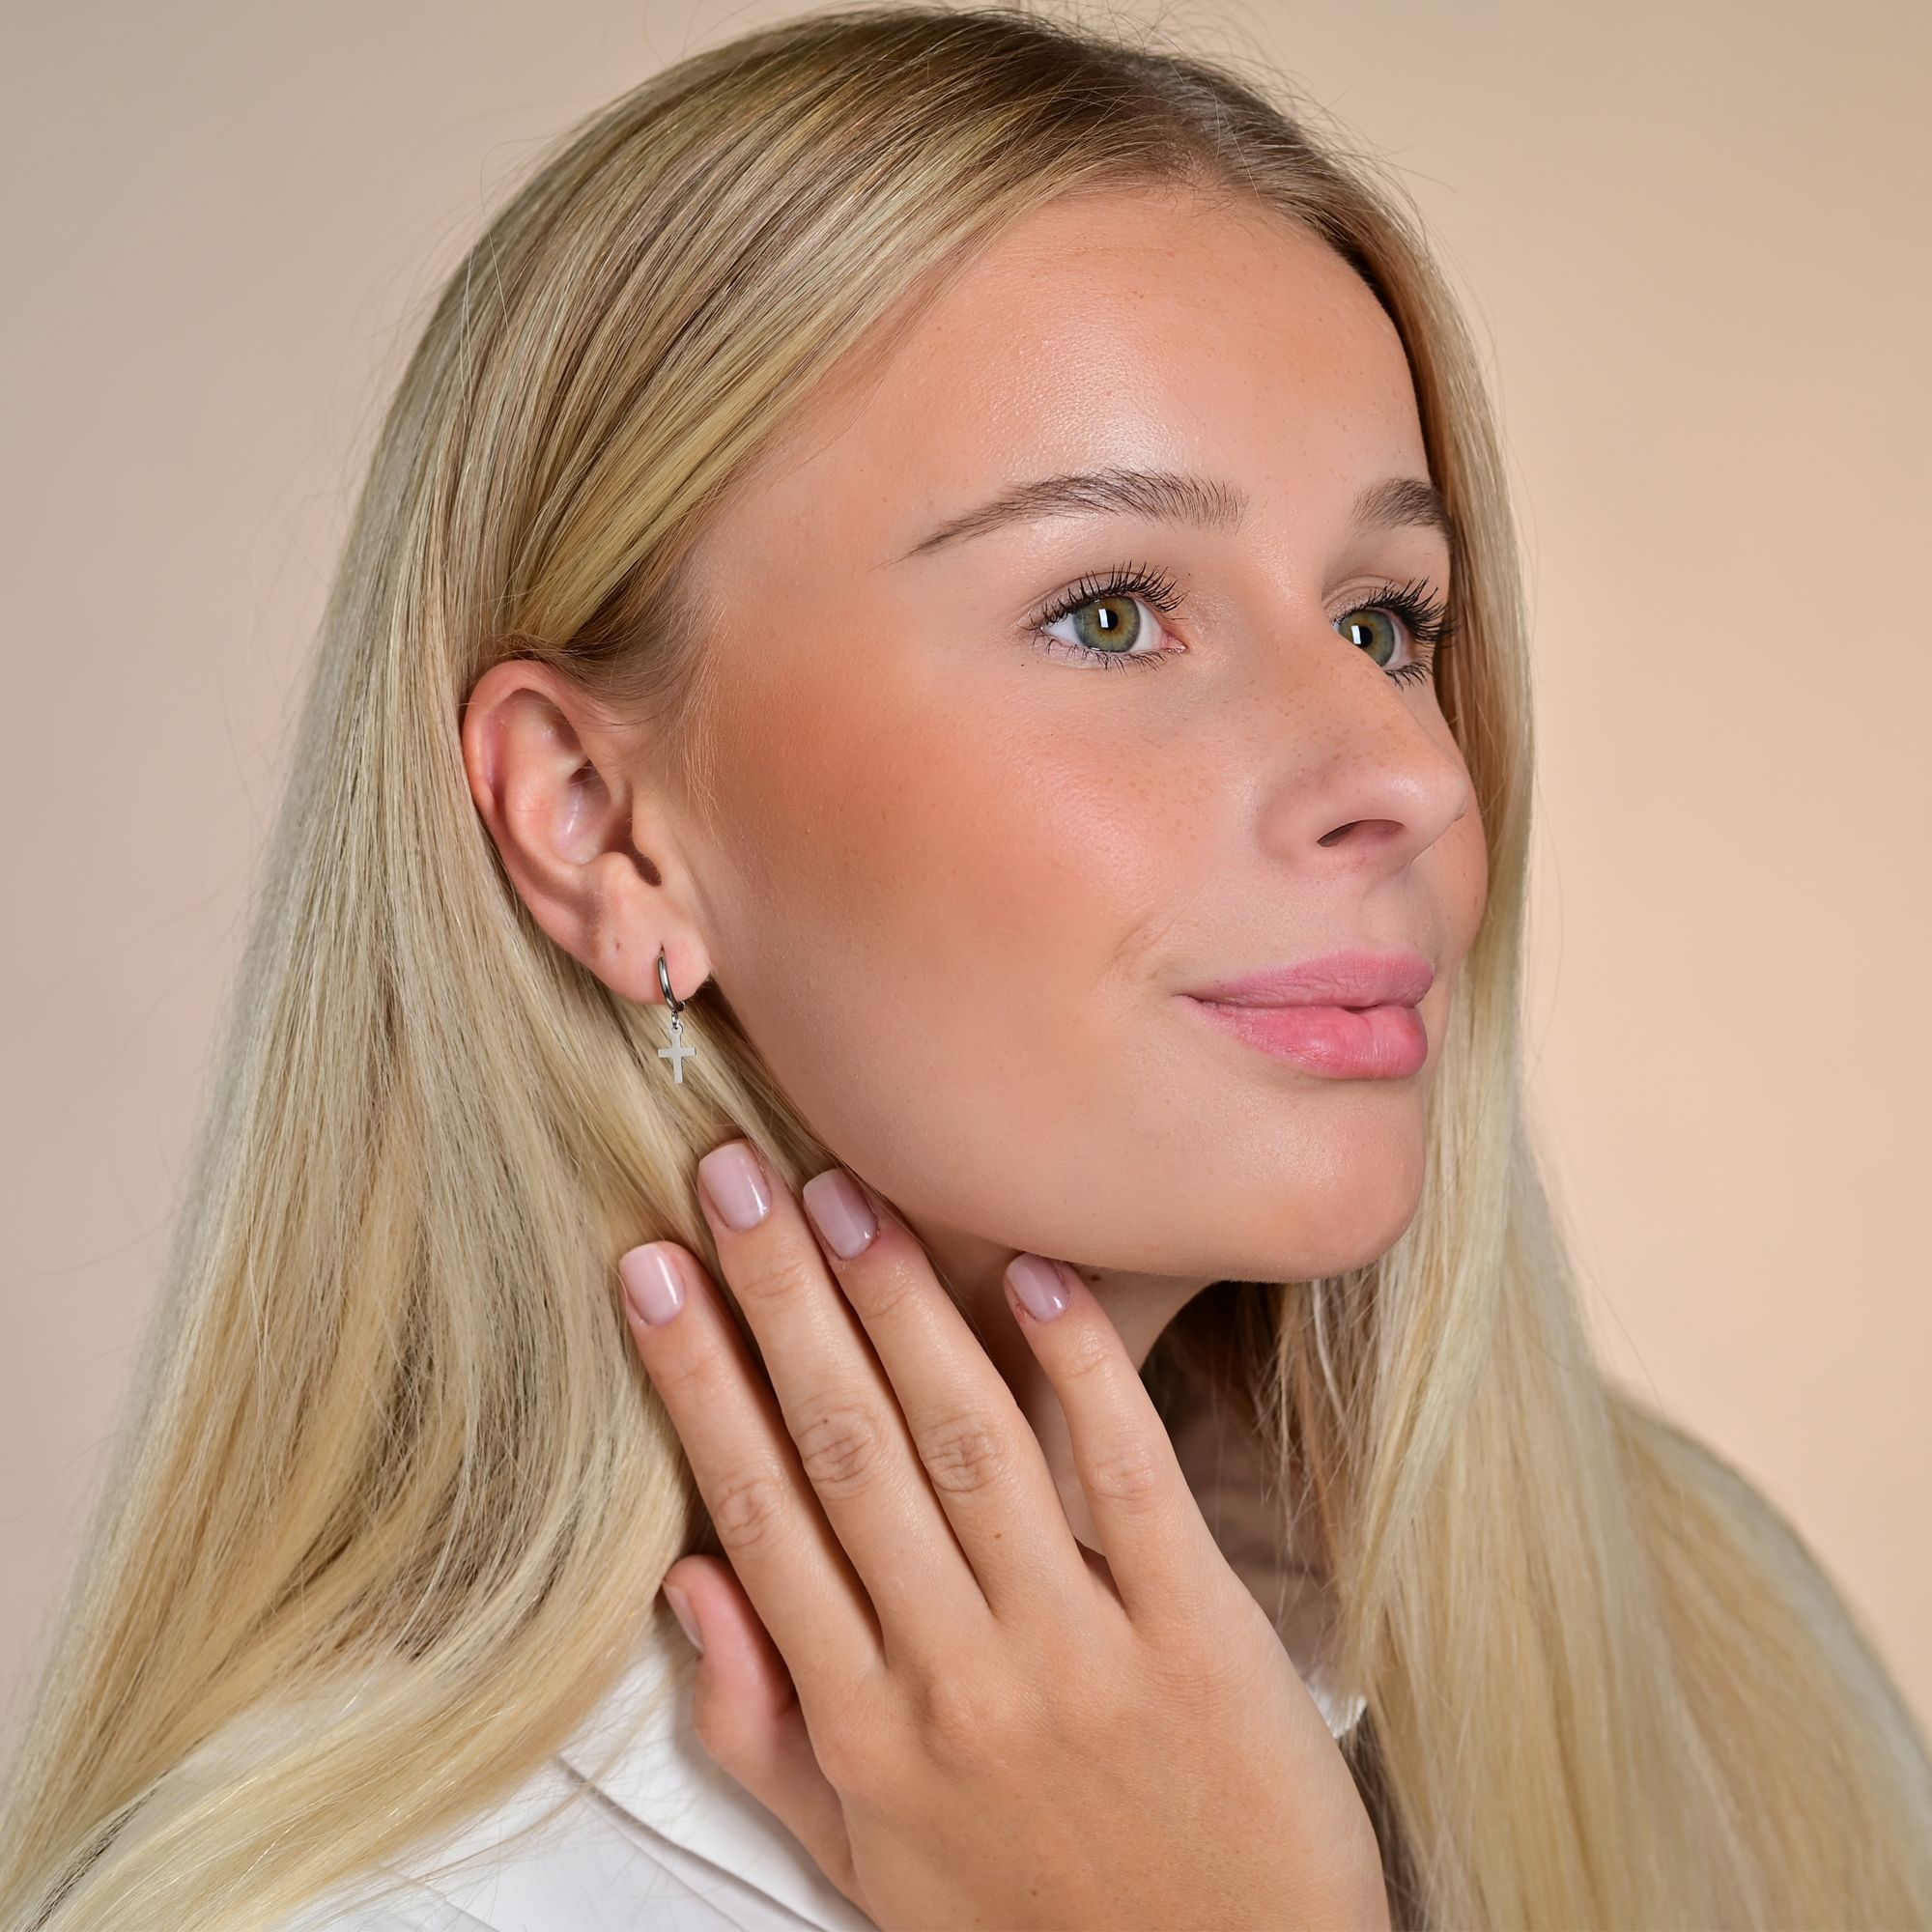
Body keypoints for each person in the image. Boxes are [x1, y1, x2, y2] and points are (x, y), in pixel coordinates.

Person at [4, 6, 1929, 1928]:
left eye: (1384, 620)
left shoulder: (1719, 1682)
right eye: (1110, 614)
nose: (1409, 775)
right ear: (597, 823)